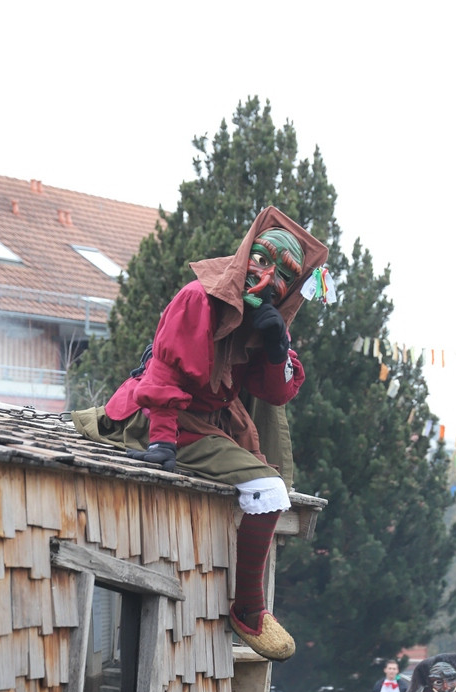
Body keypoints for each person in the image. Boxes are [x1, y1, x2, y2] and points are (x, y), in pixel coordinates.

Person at [71, 206, 328, 662]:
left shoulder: (261, 323)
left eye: (285, 274)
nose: (268, 276)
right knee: (268, 486)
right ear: (246, 253)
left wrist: (275, 348)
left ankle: (249, 604)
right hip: (157, 416)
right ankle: (249, 609)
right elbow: (164, 373)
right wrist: (162, 441)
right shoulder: (197, 298)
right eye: (263, 258)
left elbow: (273, 394)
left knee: (269, 482)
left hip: (208, 422)